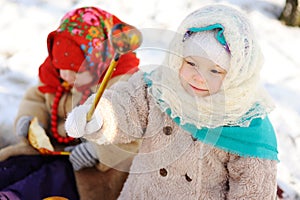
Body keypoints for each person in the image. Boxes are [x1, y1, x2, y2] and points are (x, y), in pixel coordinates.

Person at [66, 4, 279, 199]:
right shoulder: (160, 88)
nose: (199, 77)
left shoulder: (249, 127)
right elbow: (125, 106)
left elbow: (253, 191)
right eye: (191, 63)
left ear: (236, 75)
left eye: (215, 70)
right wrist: (99, 117)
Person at [0, 6, 140, 200]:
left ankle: (14, 195)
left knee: (53, 177)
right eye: (61, 68)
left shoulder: (124, 86)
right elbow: (37, 98)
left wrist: (99, 151)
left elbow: (134, 134)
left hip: (94, 167)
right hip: (53, 147)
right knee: (15, 165)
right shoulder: (56, 76)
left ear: (98, 60)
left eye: (76, 71)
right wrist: (30, 121)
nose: (66, 76)